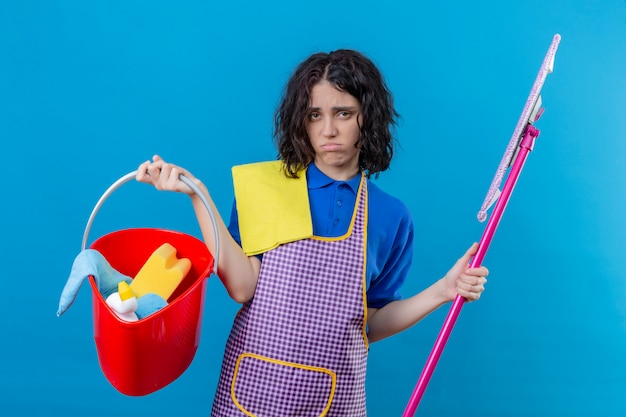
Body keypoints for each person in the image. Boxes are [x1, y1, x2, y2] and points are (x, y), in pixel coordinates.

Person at [137, 49, 488, 416]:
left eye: (344, 113)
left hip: (335, 399)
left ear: (367, 118)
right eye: (314, 115)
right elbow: (242, 287)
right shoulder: (267, 189)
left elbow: (370, 321)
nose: (328, 130)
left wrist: (443, 291)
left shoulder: (390, 216)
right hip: (253, 392)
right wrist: (199, 196)